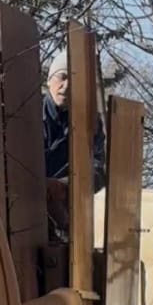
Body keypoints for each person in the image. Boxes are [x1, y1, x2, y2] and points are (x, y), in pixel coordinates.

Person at [43, 49, 106, 243]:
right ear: (49, 80)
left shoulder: (90, 123)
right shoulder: (25, 114)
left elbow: (98, 172)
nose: (67, 85)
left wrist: (64, 186)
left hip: (70, 219)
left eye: (75, 80)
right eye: (62, 77)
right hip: (24, 215)